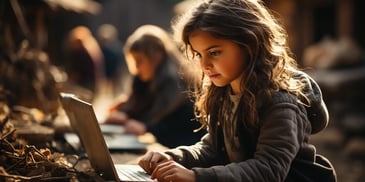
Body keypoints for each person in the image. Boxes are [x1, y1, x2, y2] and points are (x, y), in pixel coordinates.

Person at [138, 0, 337, 182]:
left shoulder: (280, 102)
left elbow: (267, 170)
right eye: (199, 54)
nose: (204, 64)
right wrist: (173, 157)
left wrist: (196, 177)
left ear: (250, 45)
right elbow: (213, 149)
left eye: (214, 52)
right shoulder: (224, 92)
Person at [105, 24, 205, 148]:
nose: (136, 68)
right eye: (133, 61)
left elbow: (168, 125)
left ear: (157, 56)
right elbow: (140, 110)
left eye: (139, 61)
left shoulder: (177, 84)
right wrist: (124, 112)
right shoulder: (143, 79)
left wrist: (145, 127)